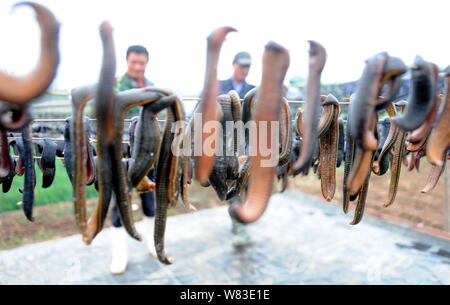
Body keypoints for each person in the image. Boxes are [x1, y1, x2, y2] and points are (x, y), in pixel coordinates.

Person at [110, 45, 157, 275]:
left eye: (142, 63)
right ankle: (120, 255)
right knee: (120, 205)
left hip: (147, 155)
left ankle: (152, 243)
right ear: (127, 61)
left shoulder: (151, 87)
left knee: (150, 202)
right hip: (121, 156)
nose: (138, 66)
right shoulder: (115, 88)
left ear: (146, 63)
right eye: (134, 62)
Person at [220, 52, 255, 247]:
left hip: (248, 146)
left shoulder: (253, 90)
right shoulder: (220, 86)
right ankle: (240, 226)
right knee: (232, 186)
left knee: (247, 185)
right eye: (241, 65)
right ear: (233, 65)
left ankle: (241, 219)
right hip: (225, 147)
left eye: (247, 66)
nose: (244, 69)